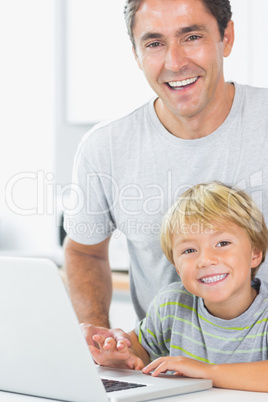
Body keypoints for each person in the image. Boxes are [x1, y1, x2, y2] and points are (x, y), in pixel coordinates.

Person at [63, 0, 268, 341]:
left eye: (191, 37)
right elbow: (84, 250)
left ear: (227, 37)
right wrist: (98, 333)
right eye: (155, 43)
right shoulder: (105, 147)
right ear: (136, 54)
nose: (175, 62)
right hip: (165, 375)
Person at [89, 182, 268, 392]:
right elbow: (136, 350)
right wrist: (120, 355)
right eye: (190, 250)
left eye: (222, 243)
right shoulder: (172, 304)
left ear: (255, 253)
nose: (205, 260)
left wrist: (205, 371)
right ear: (177, 267)